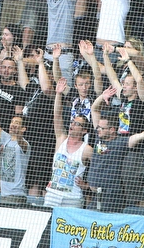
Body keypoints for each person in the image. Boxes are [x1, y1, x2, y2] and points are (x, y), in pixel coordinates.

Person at [45, 78, 93, 208]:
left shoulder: (87, 149)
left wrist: (88, 186)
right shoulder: (61, 139)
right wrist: (58, 94)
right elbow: (57, 115)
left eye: (77, 124)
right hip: (52, 195)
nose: (73, 125)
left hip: (73, 198)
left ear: (84, 130)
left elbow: (100, 169)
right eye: (72, 122)